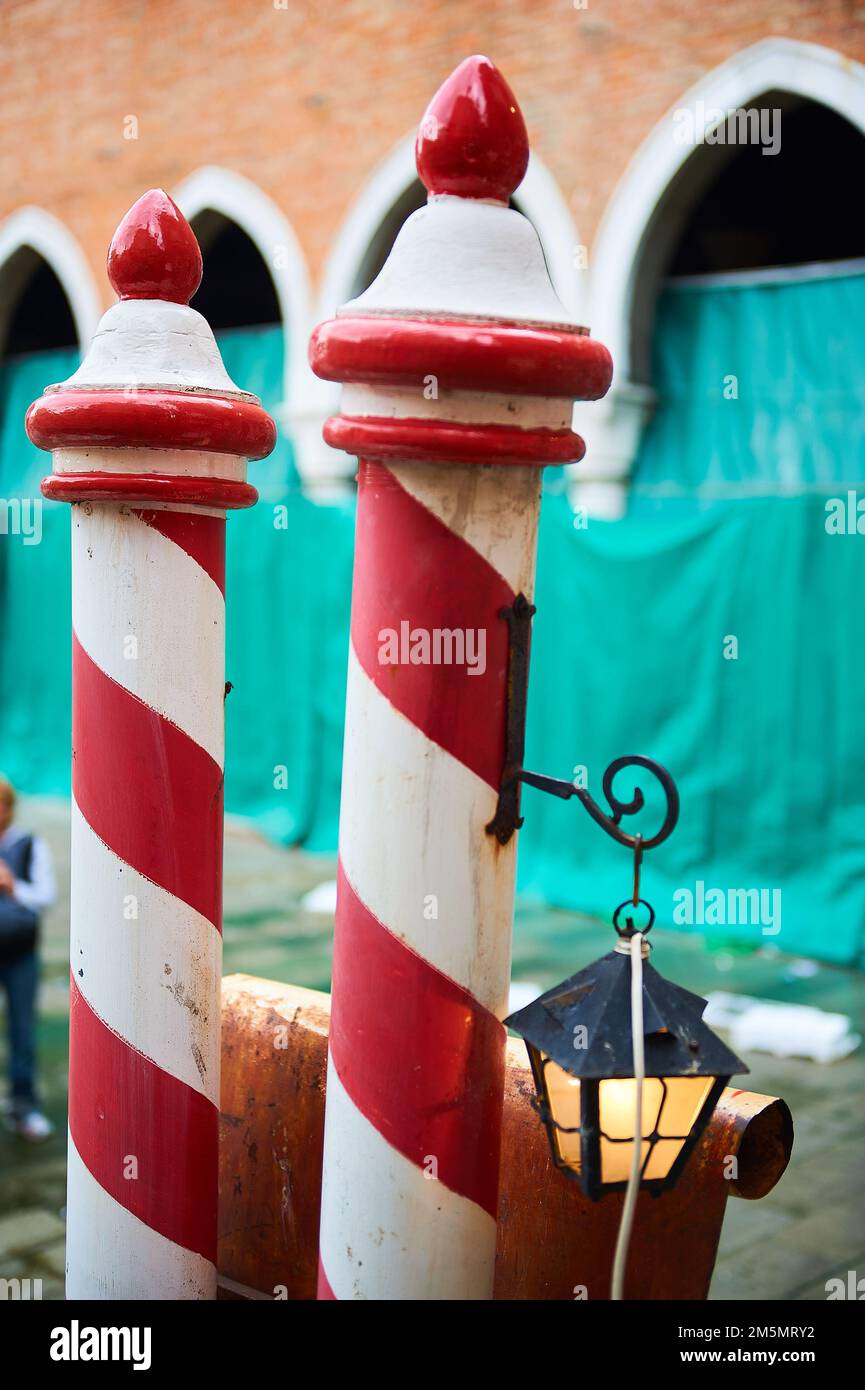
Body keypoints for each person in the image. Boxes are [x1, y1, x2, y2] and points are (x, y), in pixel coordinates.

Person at [0, 775, 56, 1141]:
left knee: (23, 1032)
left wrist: (11, 886)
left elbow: (46, 897)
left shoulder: (29, 845)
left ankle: (24, 1107)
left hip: (20, 954)